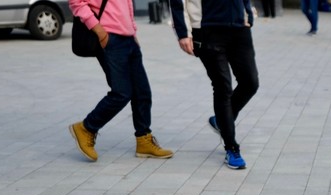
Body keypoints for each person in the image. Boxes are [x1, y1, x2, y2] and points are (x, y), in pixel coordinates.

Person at [69, 0, 174, 162]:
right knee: (121, 93)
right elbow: (76, 3)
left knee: (142, 92)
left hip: (128, 38)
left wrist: (133, 30)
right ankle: (86, 128)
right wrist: (99, 30)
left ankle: (144, 139)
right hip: (110, 38)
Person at [170, 0, 259, 170]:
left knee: (250, 83)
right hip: (207, 29)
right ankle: (231, 148)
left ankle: (222, 121)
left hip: (239, 28)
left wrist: (247, 14)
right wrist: (183, 32)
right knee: (222, 87)